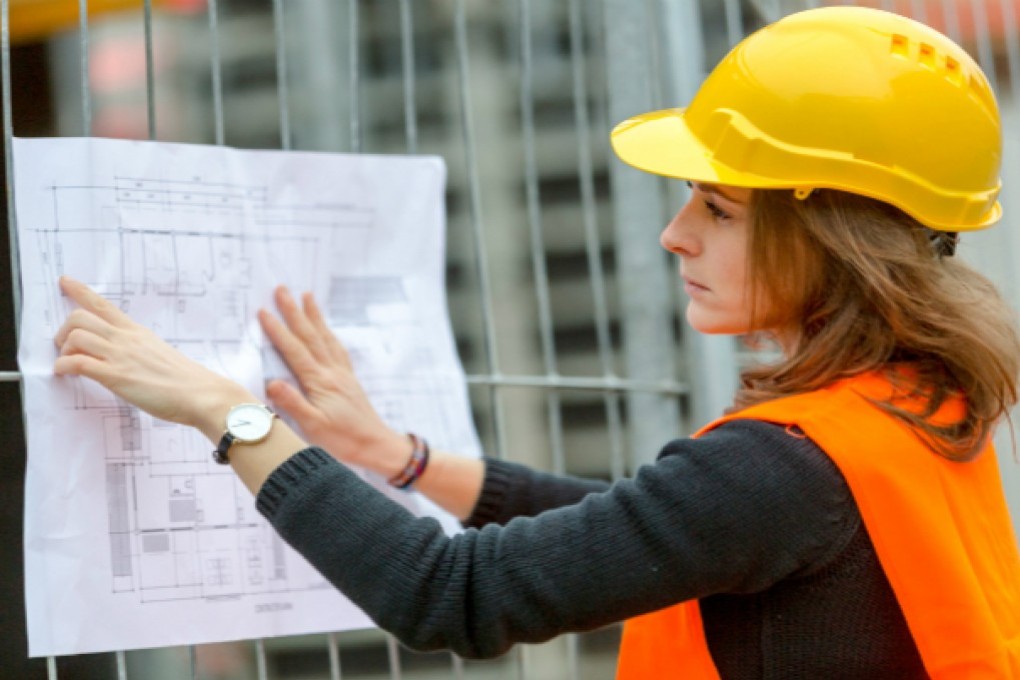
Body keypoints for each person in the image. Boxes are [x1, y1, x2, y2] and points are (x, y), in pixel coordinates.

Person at [51, 6, 1020, 679]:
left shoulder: (785, 466)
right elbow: (663, 532)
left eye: (717, 207)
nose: (674, 233)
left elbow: (456, 596)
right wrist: (405, 459)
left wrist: (226, 411)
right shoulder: (911, 405)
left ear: (832, 234)